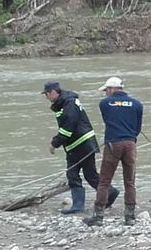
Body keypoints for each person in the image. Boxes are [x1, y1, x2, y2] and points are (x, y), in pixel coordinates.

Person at [43, 81, 116, 215]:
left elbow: (68, 127)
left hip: (80, 144)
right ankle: (109, 193)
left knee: (74, 174)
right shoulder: (65, 102)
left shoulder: (68, 103)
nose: (46, 97)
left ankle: (78, 205)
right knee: (89, 175)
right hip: (81, 144)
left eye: (46, 94)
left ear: (53, 92)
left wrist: (54, 143)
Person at [85, 76, 143, 227]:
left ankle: (98, 217)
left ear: (111, 89)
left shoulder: (104, 104)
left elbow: (107, 120)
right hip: (130, 144)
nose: (105, 93)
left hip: (113, 144)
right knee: (130, 182)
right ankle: (130, 217)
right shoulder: (137, 104)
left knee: (104, 181)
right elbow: (137, 128)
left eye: (106, 90)